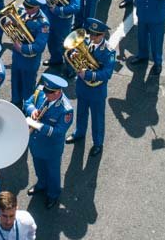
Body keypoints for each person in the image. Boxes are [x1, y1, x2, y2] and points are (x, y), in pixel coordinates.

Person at [66, 18, 114, 156]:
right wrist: (75, 56)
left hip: (97, 91)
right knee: (81, 113)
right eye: (91, 34)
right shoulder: (86, 42)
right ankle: (79, 133)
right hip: (82, 88)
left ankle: (98, 143)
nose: (92, 37)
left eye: (96, 35)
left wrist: (88, 75)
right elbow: (75, 58)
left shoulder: (108, 52)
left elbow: (107, 73)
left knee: (97, 118)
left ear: (103, 34)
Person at [23, 73, 72, 209]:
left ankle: (53, 194)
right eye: (45, 91)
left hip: (51, 148)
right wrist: (32, 110)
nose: (46, 95)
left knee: (53, 172)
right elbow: (28, 102)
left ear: (58, 92)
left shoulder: (66, 110)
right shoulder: (41, 92)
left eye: (49, 93)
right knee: (38, 166)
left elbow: (58, 132)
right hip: (36, 143)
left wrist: (38, 126)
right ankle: (41, 184)